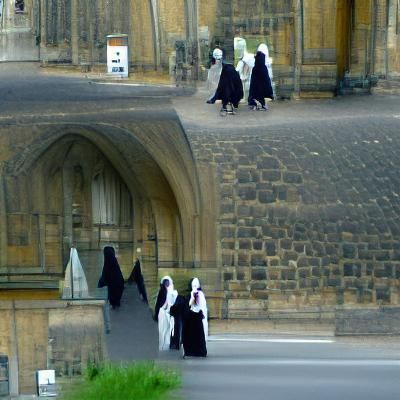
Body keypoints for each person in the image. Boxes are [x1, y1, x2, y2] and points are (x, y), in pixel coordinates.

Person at [182, 277, 208, 357]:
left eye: (196, 286)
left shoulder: (201, 294)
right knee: (190, 335)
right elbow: (189, 305)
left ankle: (199, 351)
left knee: (199, 335)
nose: (195, 288)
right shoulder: (189, 294)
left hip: (198, 317)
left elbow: (201, 306)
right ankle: (190, 351)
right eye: (193, 286)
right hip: (190, 317)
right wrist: (192, 298)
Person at [154, 276, 177, 351]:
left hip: (168, 312)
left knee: (169, 329)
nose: (167, 284)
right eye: (165, 283)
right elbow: (159, 303)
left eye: (168, 283)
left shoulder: (171, 292)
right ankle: (162, 343)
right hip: (163, 312)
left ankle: (167, 343)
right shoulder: (162, 291)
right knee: (163, 328)